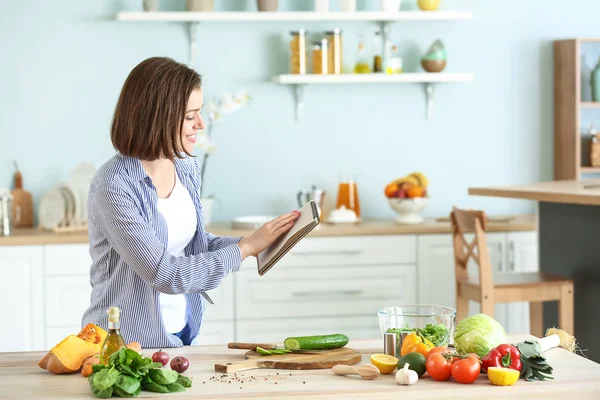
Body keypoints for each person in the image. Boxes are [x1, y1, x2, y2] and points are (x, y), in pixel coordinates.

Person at [81, 57, 299, 348]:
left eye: (200, 112)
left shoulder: (184, 166)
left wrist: (257, 241)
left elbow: (193, 244)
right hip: (123, 345)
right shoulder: (113, 186)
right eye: (189, 116)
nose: (200, 124)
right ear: (156, 117)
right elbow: (164, 274)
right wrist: (245, 249)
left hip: (182, 334)